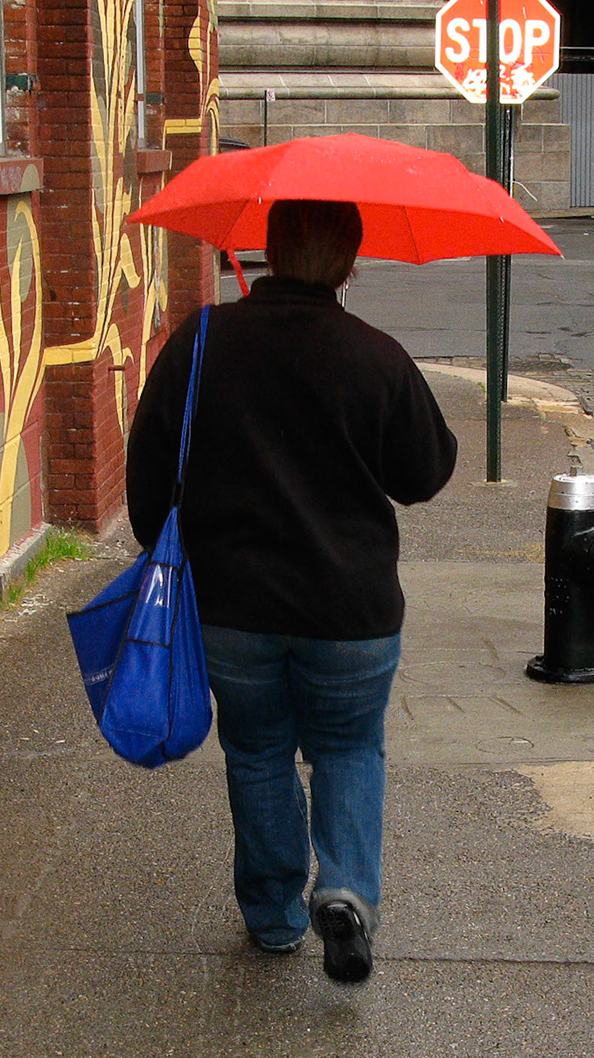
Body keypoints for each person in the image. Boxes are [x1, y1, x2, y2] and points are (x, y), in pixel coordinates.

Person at [125, 199, 459, 983]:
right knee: (348, 748)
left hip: (232, 611)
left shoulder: (202, 343)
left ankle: (275, 917)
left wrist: (173, 541)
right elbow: (427, 471)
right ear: (350, 261)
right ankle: (344, 891)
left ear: (270, 250)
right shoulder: (375, 354)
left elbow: (147, 481)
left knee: (257, 751)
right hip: (352, 615)